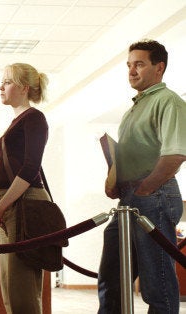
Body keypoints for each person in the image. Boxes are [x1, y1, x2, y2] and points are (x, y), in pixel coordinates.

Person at [98, 39, 186, 314]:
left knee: (156, 284)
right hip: (130, 197)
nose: (132, 71)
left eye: (139, 64)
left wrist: (145, 188)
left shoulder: (168, 101)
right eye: (129, 65)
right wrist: (116, 181)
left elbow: (175, 155)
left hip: (154, 194)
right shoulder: (134, 108)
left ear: (159, 68)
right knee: (111, 278)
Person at [0, 63, 50, 313]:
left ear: (23, 88)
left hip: (24, 201)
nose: (1, 87)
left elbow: (30, 169)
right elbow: (3, 172)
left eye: (7, 82)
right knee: (9, 285)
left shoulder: (35, 118)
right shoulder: (16, 122)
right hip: (10, 202)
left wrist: (2, 204)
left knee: (22, 288)